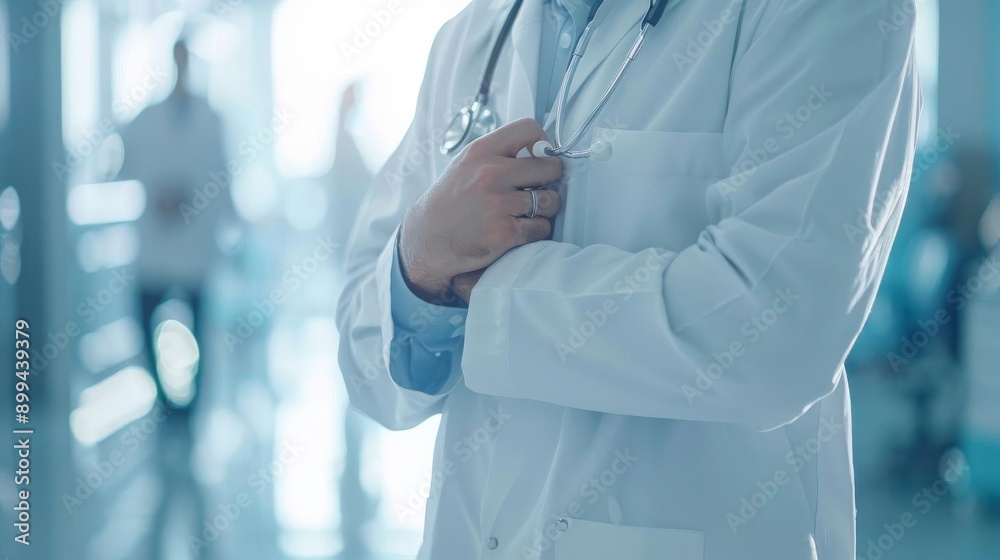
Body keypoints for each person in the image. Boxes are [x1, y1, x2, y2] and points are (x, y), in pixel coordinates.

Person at [336, 1, 921, 558]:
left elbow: (777, 331)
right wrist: (417, 264)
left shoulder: (825, 12)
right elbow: (367, 357)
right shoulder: (472, 35)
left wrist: (480, 287)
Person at [118, 38, 229, 560]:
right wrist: (159, 191)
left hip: (194, 245)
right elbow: (124, 165)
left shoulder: (211, 118)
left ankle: (190, 410)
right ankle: (167, 402)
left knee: (198, 329)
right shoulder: (147, 117)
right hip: (155, 245)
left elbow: (222, 178)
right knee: (144, 319)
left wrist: (196, 202)